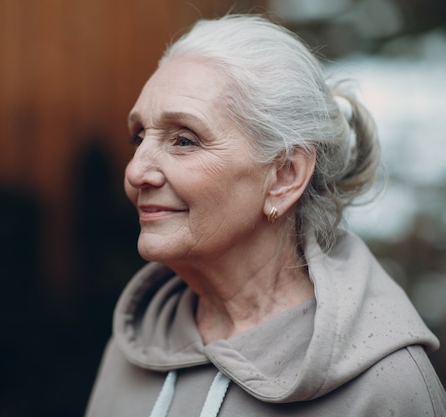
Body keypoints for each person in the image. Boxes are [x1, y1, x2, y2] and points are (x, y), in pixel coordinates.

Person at [85, 15, 446, 417]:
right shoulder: (131, 351)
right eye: (139, 137)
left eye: (184, 140)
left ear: (285, 177)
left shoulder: (384, 388)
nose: (135, 171)